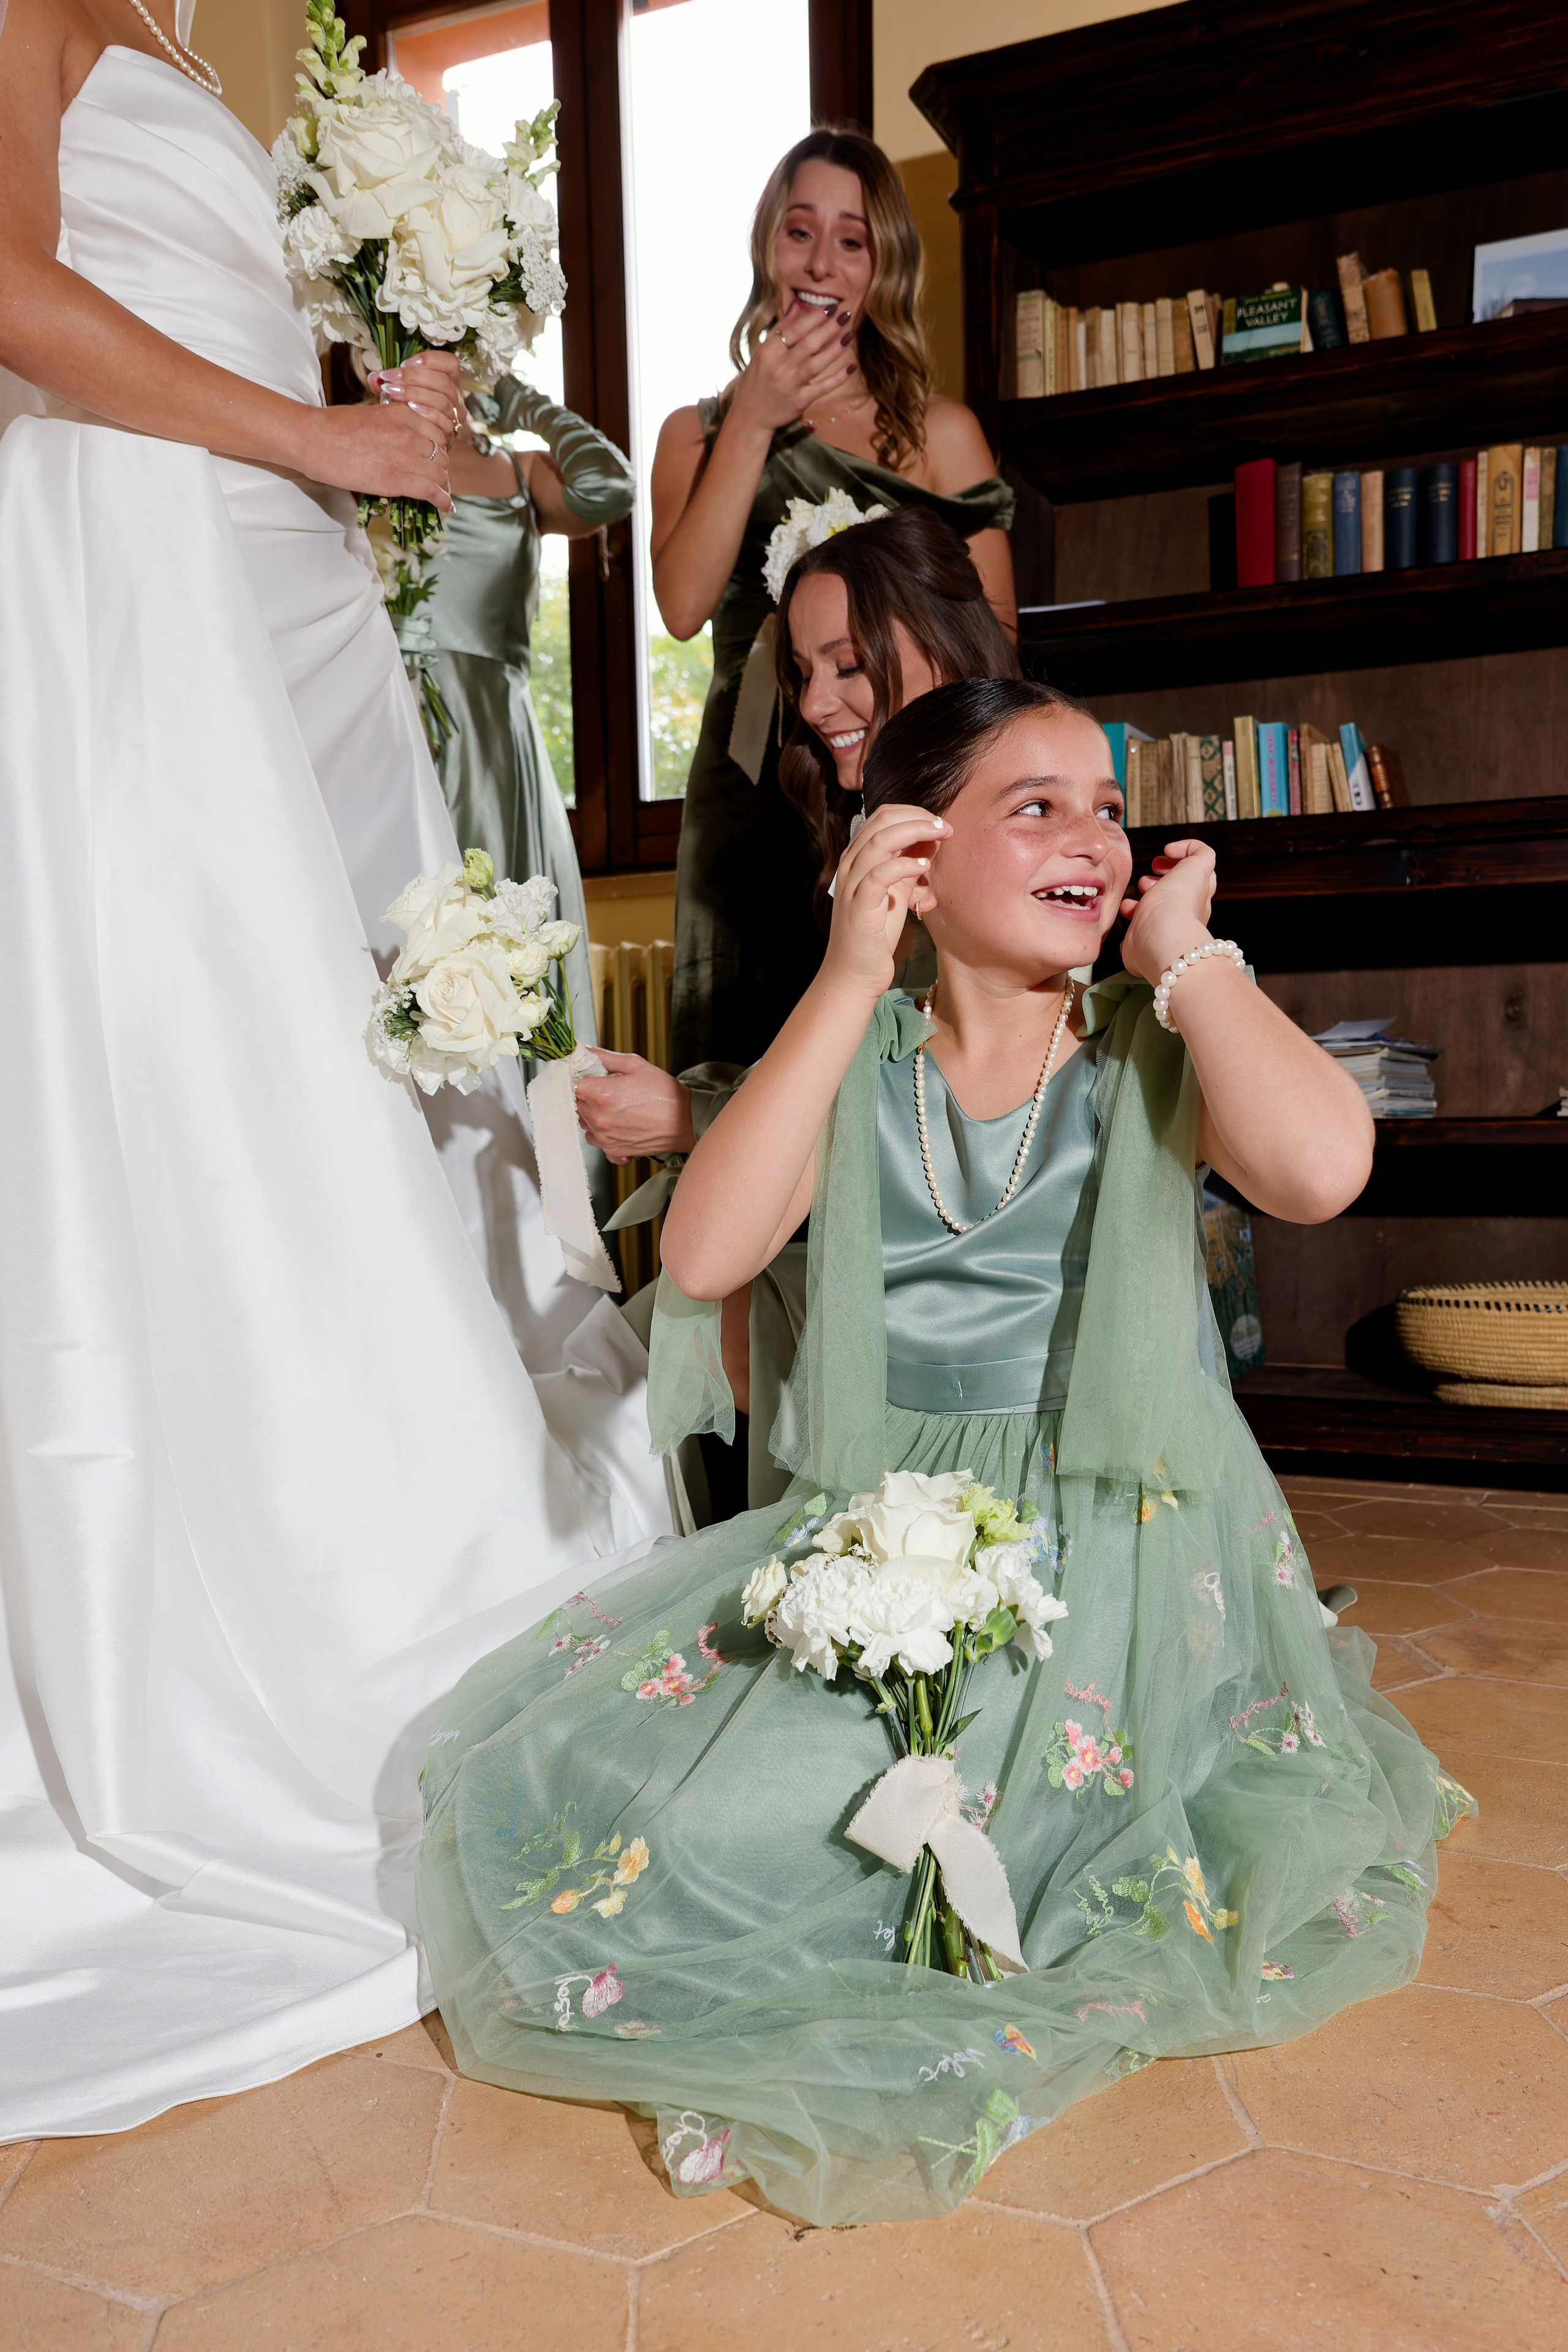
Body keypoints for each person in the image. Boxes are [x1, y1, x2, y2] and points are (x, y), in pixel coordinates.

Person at [418, 678, 1474, 2230]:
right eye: (1030, 803)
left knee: (1040, 1825)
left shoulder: (1146, 1039)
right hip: (889, 1515)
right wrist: (848, 973)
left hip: (1120, 1512)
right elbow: (705, 1248)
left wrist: (1187, 958)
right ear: (903, 852)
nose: (1091, 834)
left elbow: (1321, 1167)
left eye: (1104, 804)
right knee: (670, 1813)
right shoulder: (860, 1048)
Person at [0, 0, 668, 2141]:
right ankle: (255, 1605)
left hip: (270, 563)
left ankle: (410, 1524)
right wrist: (316, 443)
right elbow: (16, 294)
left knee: (392, 1068)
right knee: (213, 1092)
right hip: (140, 561)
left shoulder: (201, 41)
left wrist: (372, 408)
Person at [578, 508, 1020, 1509]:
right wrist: (694, 1103)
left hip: (971, 1284)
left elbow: (949, 1122)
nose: (817, 704)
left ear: (945, 648)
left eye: (848, 664)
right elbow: (866, 1062)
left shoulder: (996, 838)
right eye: (801, 674)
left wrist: (694, 1119)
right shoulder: (879, 823)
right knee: (629, 1348)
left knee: (655, 1349)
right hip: (881, 1241)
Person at [652, 127, 1016, 1075]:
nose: (821, 261)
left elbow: (999, 649)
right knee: (748, 1063)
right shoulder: (692, 436)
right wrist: (756, 419)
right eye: (798, 231)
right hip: (749, 797)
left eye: (851, 240)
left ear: (882, 264)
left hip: (906, 787)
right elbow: (684, 604)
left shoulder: (941, 435)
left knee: (904, 1061)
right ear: (767, 249)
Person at [423, 376, 635, 1039]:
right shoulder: (348, 439)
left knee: (500, 940)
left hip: (492, 741)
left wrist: (521, 403)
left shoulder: (516, 470)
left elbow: (608, 488)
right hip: (383, 720)